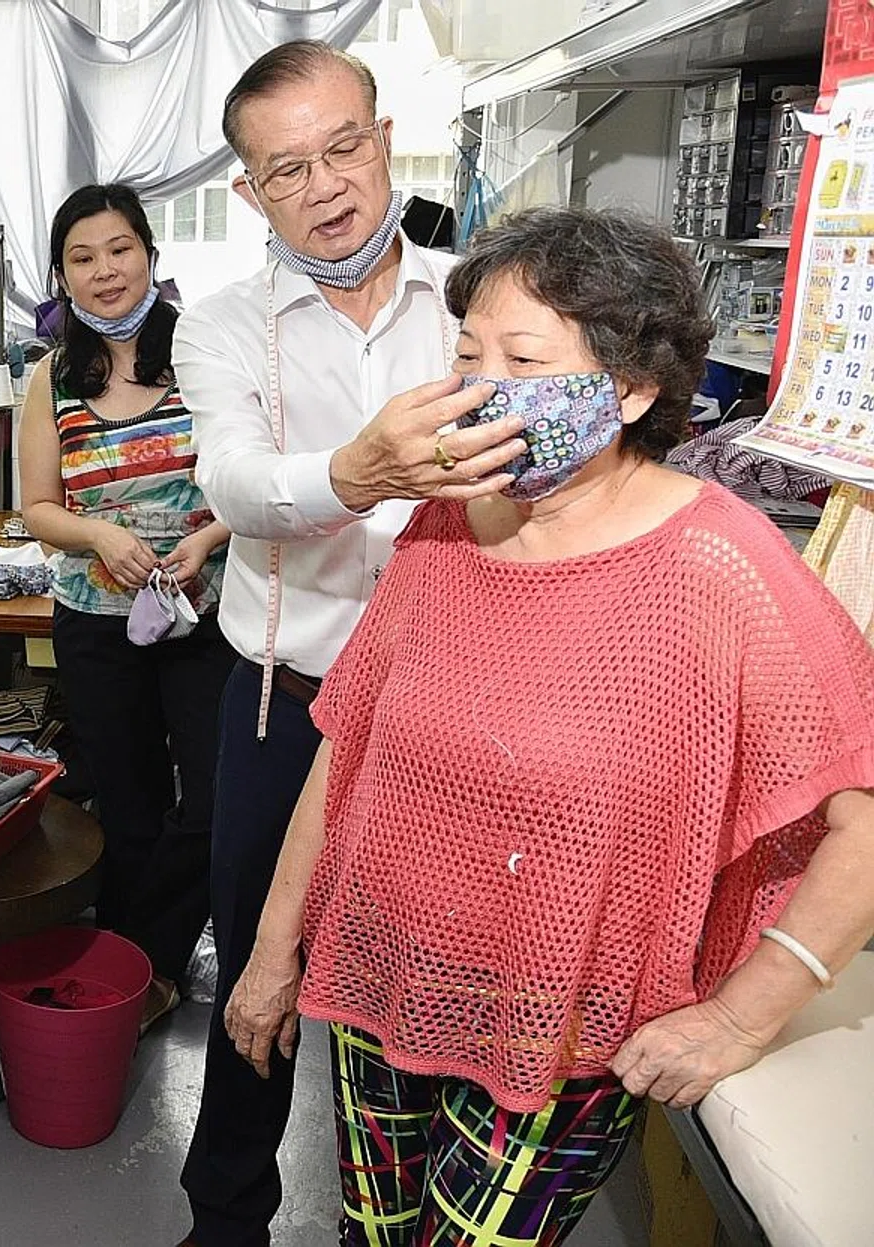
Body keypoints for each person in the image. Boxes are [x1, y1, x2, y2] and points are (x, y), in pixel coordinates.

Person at [226, 205, 874, 1244]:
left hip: (562, 1021)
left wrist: (741, 1016)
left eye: (521, 357)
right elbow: (348, 748)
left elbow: (864, 808)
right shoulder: (445, 522)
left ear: (628, 387)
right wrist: (269, 952)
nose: (478, 387)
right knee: (371, 1233)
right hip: (383, 976)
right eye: (467, 353)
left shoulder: (719, 565)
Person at [170, 41, 528, 1246]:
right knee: (256, 972)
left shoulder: (477, 303)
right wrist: (358, 470)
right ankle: (226, 1214)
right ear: (248, 193)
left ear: (383, 140)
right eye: (287, 169)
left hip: (458, 706)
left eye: (343, 147)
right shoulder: (219, 326)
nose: (326, 185)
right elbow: (232, 477)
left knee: (431, 966)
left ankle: (409, 1211)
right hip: (286, 694)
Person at [18, 183, 233, 1025]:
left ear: (150, 254)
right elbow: (38, 509)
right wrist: (98, 536)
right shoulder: (50, 379)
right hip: (96, 624)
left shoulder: (205, 354)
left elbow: (246, 481)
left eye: (119, 249)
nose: (105, 271)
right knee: (130, 802)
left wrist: (209, 540)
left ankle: (139, 950)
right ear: (62, 277)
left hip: (202, 617)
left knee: (213, 802)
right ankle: (142, 976)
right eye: (82, 257)